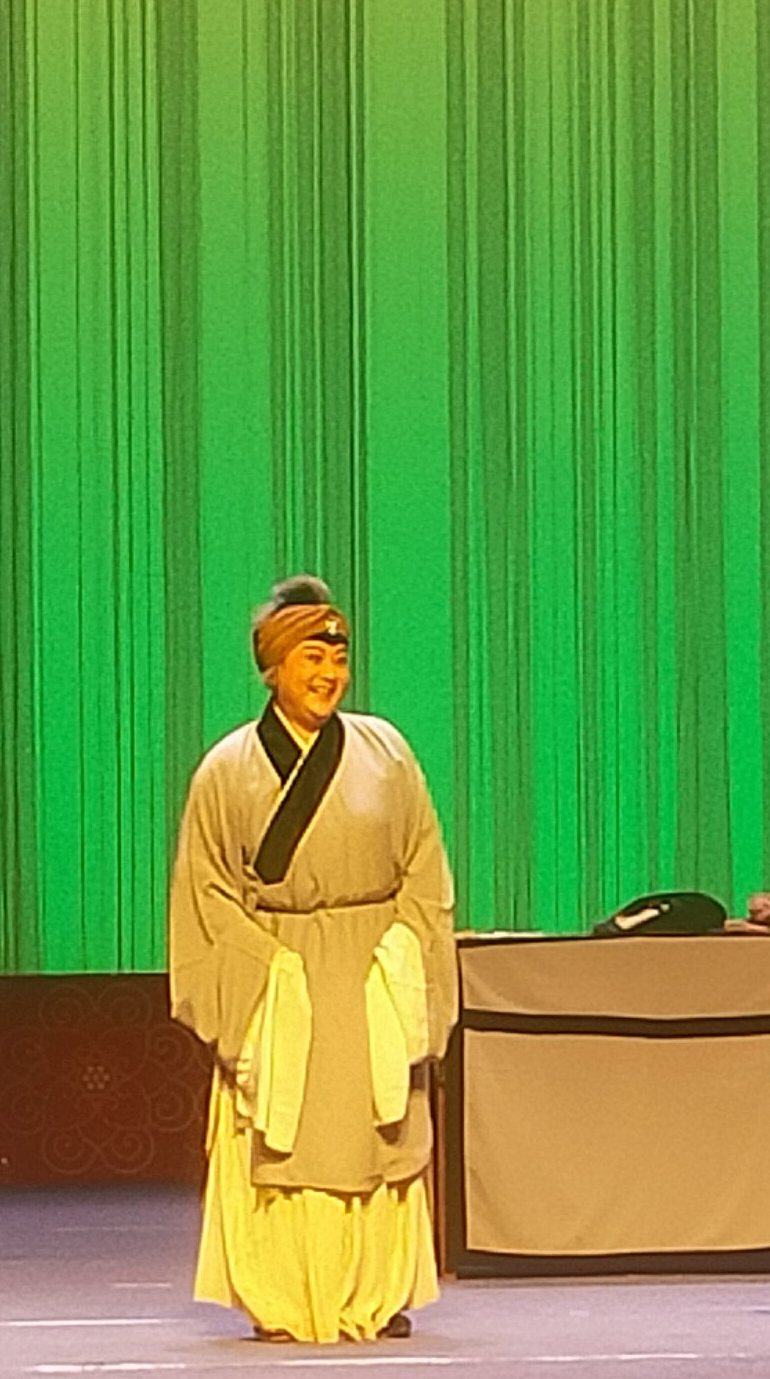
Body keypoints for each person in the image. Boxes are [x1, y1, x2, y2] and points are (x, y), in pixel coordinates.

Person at [168, 575, 457, 1343]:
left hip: (371, 970)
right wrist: (265, 974)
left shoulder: (387, 752)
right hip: (278, 969)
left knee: (377, 1136)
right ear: (273, 668)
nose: (330, 674)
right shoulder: (227, 769)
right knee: (287, 1136)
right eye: (311, 658)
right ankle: (283, 1295)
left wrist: (405, 956)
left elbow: (424, 869)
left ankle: (376, 1289)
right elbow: (207, 892)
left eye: (339, 658)